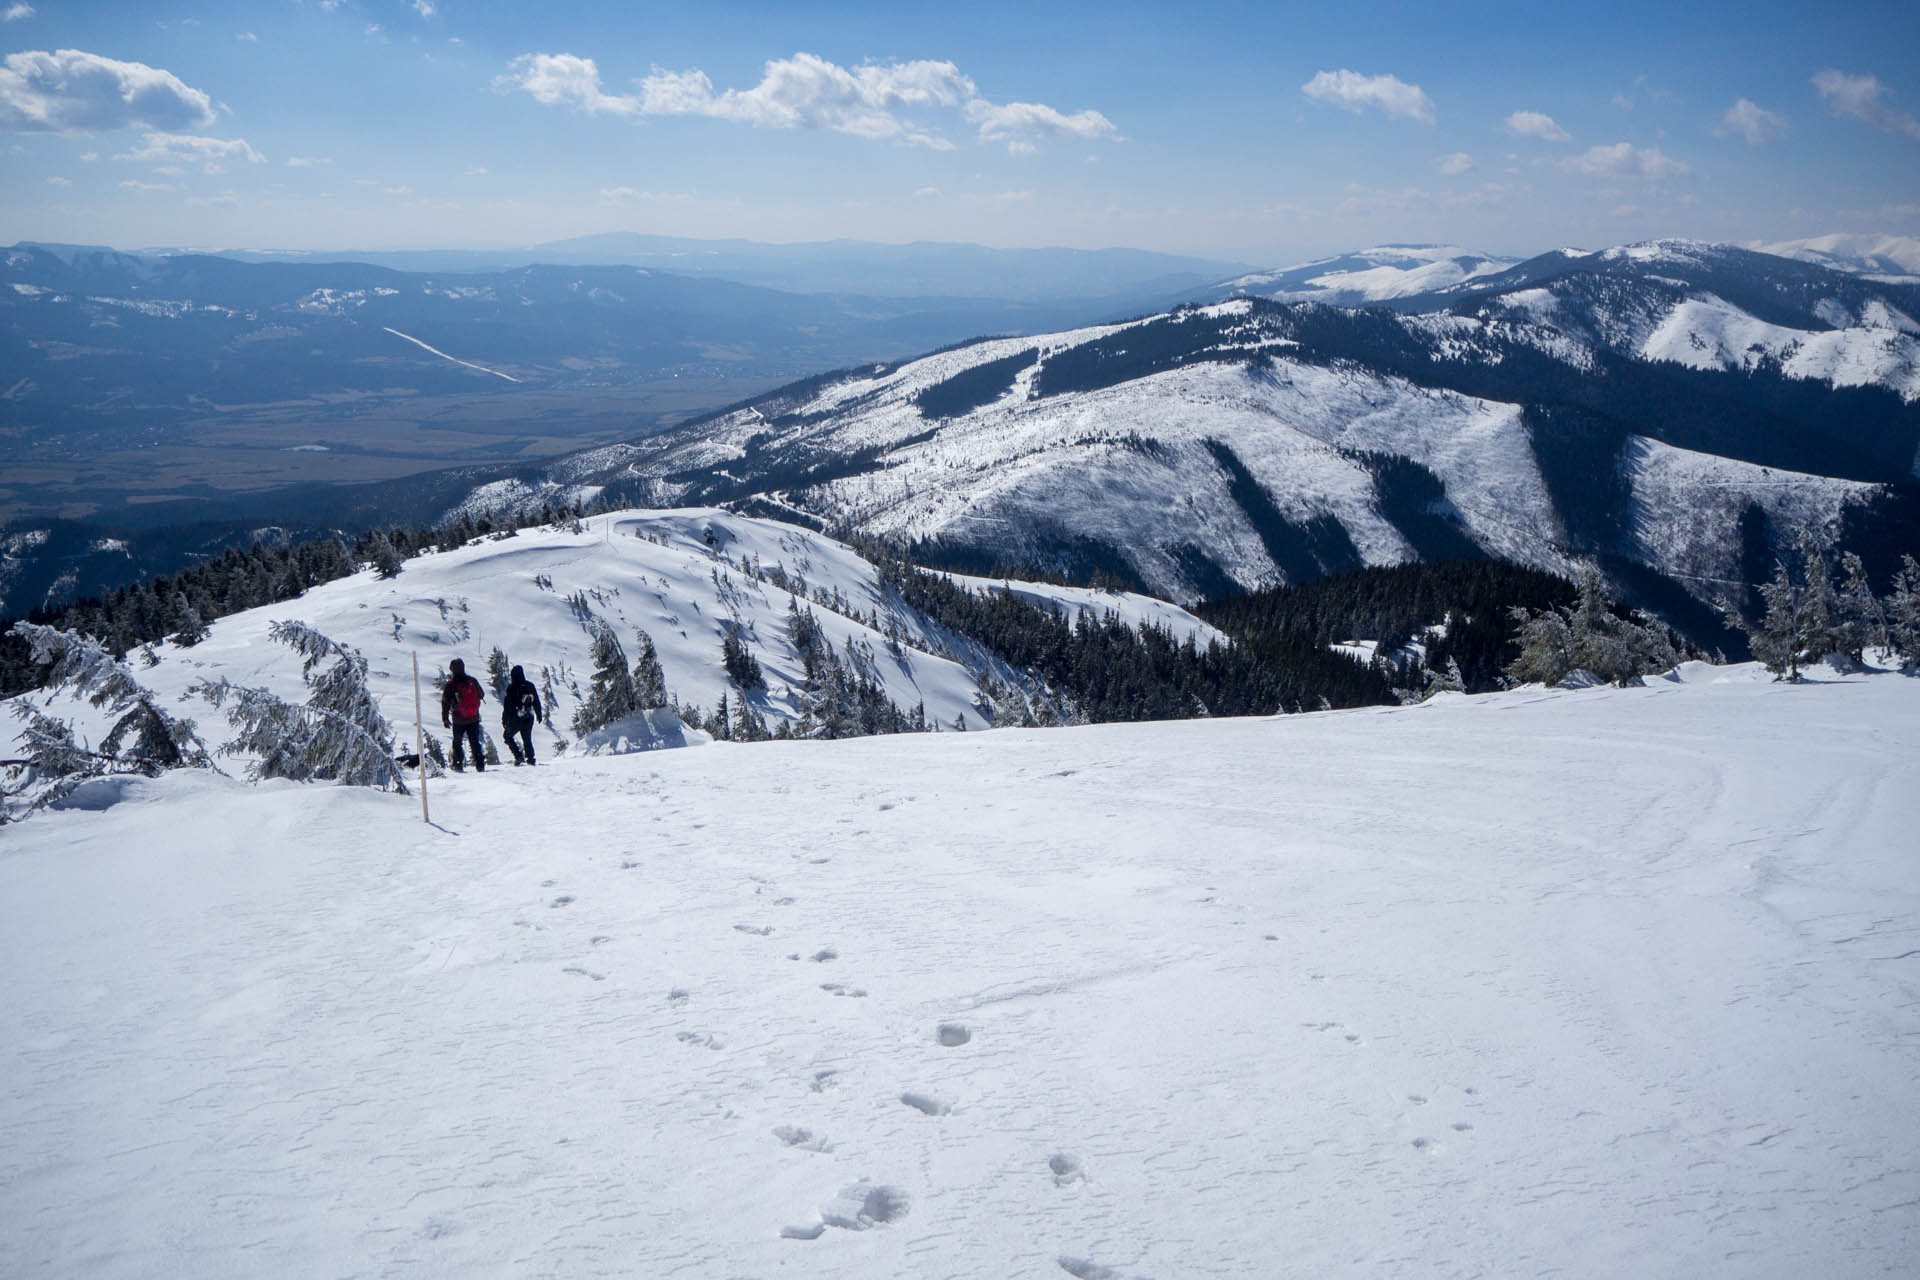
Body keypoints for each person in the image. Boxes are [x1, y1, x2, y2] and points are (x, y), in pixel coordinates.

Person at [440, 657, 486, 772]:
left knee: (457, 742)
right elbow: (481, 694)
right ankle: (480, 764)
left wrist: (445, 718)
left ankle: (458, 764)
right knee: (474, 741)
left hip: (458, 719)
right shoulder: (472, 681)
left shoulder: (451, 685)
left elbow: (445, 702)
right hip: (473, 717)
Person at [501, 663, 544, 766]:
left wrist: (505, 720)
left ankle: (518, 756)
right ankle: (530, 758)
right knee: (527, 738)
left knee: (507, 736)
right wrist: (539, 714)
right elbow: (536, 701)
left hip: (516, 718)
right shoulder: (530, 685)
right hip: (529, 716)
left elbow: (507, 706)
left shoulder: (511, 688)